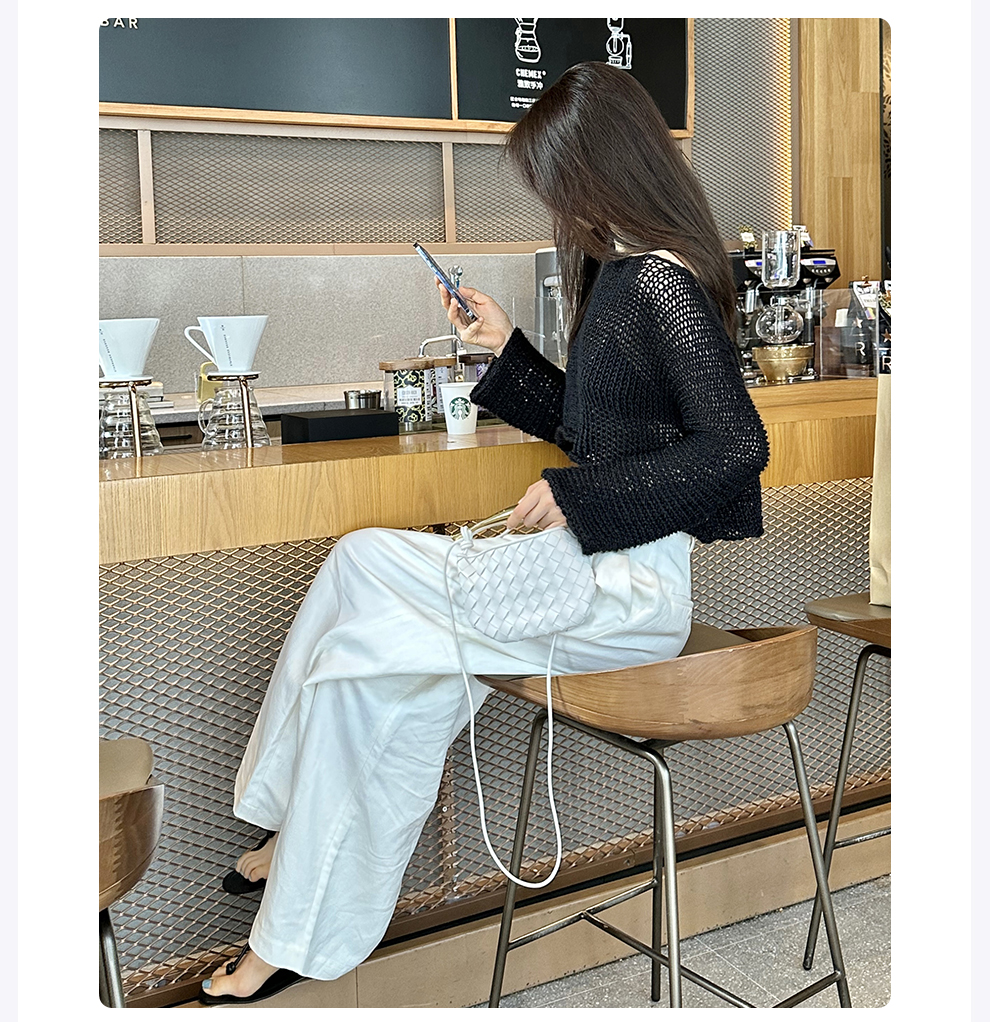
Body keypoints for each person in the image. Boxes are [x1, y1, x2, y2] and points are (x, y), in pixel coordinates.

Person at [200, 61, 769, 1005]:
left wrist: (582, 498)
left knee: (370, 628)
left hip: (627, 596)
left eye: (555, 178)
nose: (551, 200)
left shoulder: (659, 284)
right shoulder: (623, 275)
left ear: (600, 168)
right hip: (586, 575)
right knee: (369, 606)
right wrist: (504, 350)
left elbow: (737, 449)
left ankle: (289, 905)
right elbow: (601, 431)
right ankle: (293, 852)